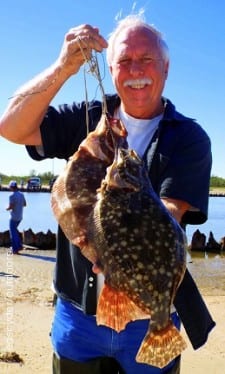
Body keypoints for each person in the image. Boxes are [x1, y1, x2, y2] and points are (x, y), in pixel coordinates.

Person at [0, 13, 215, 374]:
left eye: (146, 59)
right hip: (77, 312)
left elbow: (165, 218)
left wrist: (112, 250)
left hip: (149, 316)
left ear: (165, 66)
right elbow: (11, 127)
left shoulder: (189, 139)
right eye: (125, 61)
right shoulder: (89, 119)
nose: (136, 70)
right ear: (111, 68)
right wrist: (63, 67)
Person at [6, 180, 26, 254]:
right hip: (20, 217)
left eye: (10, 187)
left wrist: (6, 208)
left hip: (13, 217)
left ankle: (15, 249)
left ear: (12, 187)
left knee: (13, 233)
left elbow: (11, 206)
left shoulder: (11, 196)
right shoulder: (21, 194)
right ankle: (19, 246)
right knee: (15, 231)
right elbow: (24, 204)